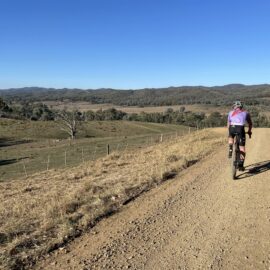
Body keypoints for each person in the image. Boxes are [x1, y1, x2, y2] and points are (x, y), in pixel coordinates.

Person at [227, 101, 252, 171]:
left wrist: (229, 133)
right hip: (240, 129)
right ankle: (240, 164)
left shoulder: (230, 112)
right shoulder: (246, 113)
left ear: (234, 107)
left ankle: (230, 148)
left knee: (231, 137)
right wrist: (249, 131)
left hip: (232, 127)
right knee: (242, 148)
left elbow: (228, 123)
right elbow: (250, 124)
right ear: (241, 107)